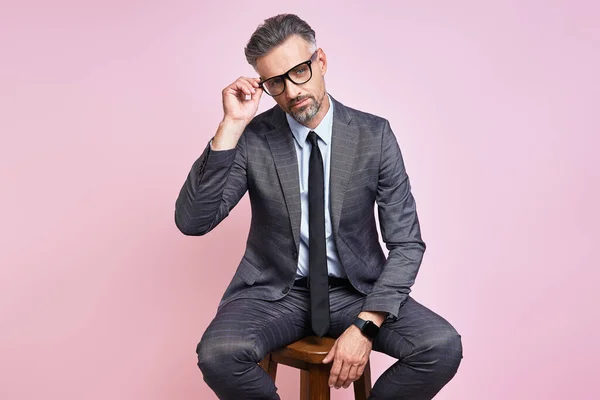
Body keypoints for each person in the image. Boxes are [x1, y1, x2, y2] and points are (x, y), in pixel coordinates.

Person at [175, 13, 463, 400]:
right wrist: (230, 126)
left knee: (440, 345)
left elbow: (407, 243)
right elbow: (194, 221)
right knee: (218, 354)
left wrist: (366, 324)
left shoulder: (373, 136)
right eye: (275, 82)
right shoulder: (254, 138)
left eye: (299, 71)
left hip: (355, 292)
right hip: (276, 292)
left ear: (321, 62)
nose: (292, 91)